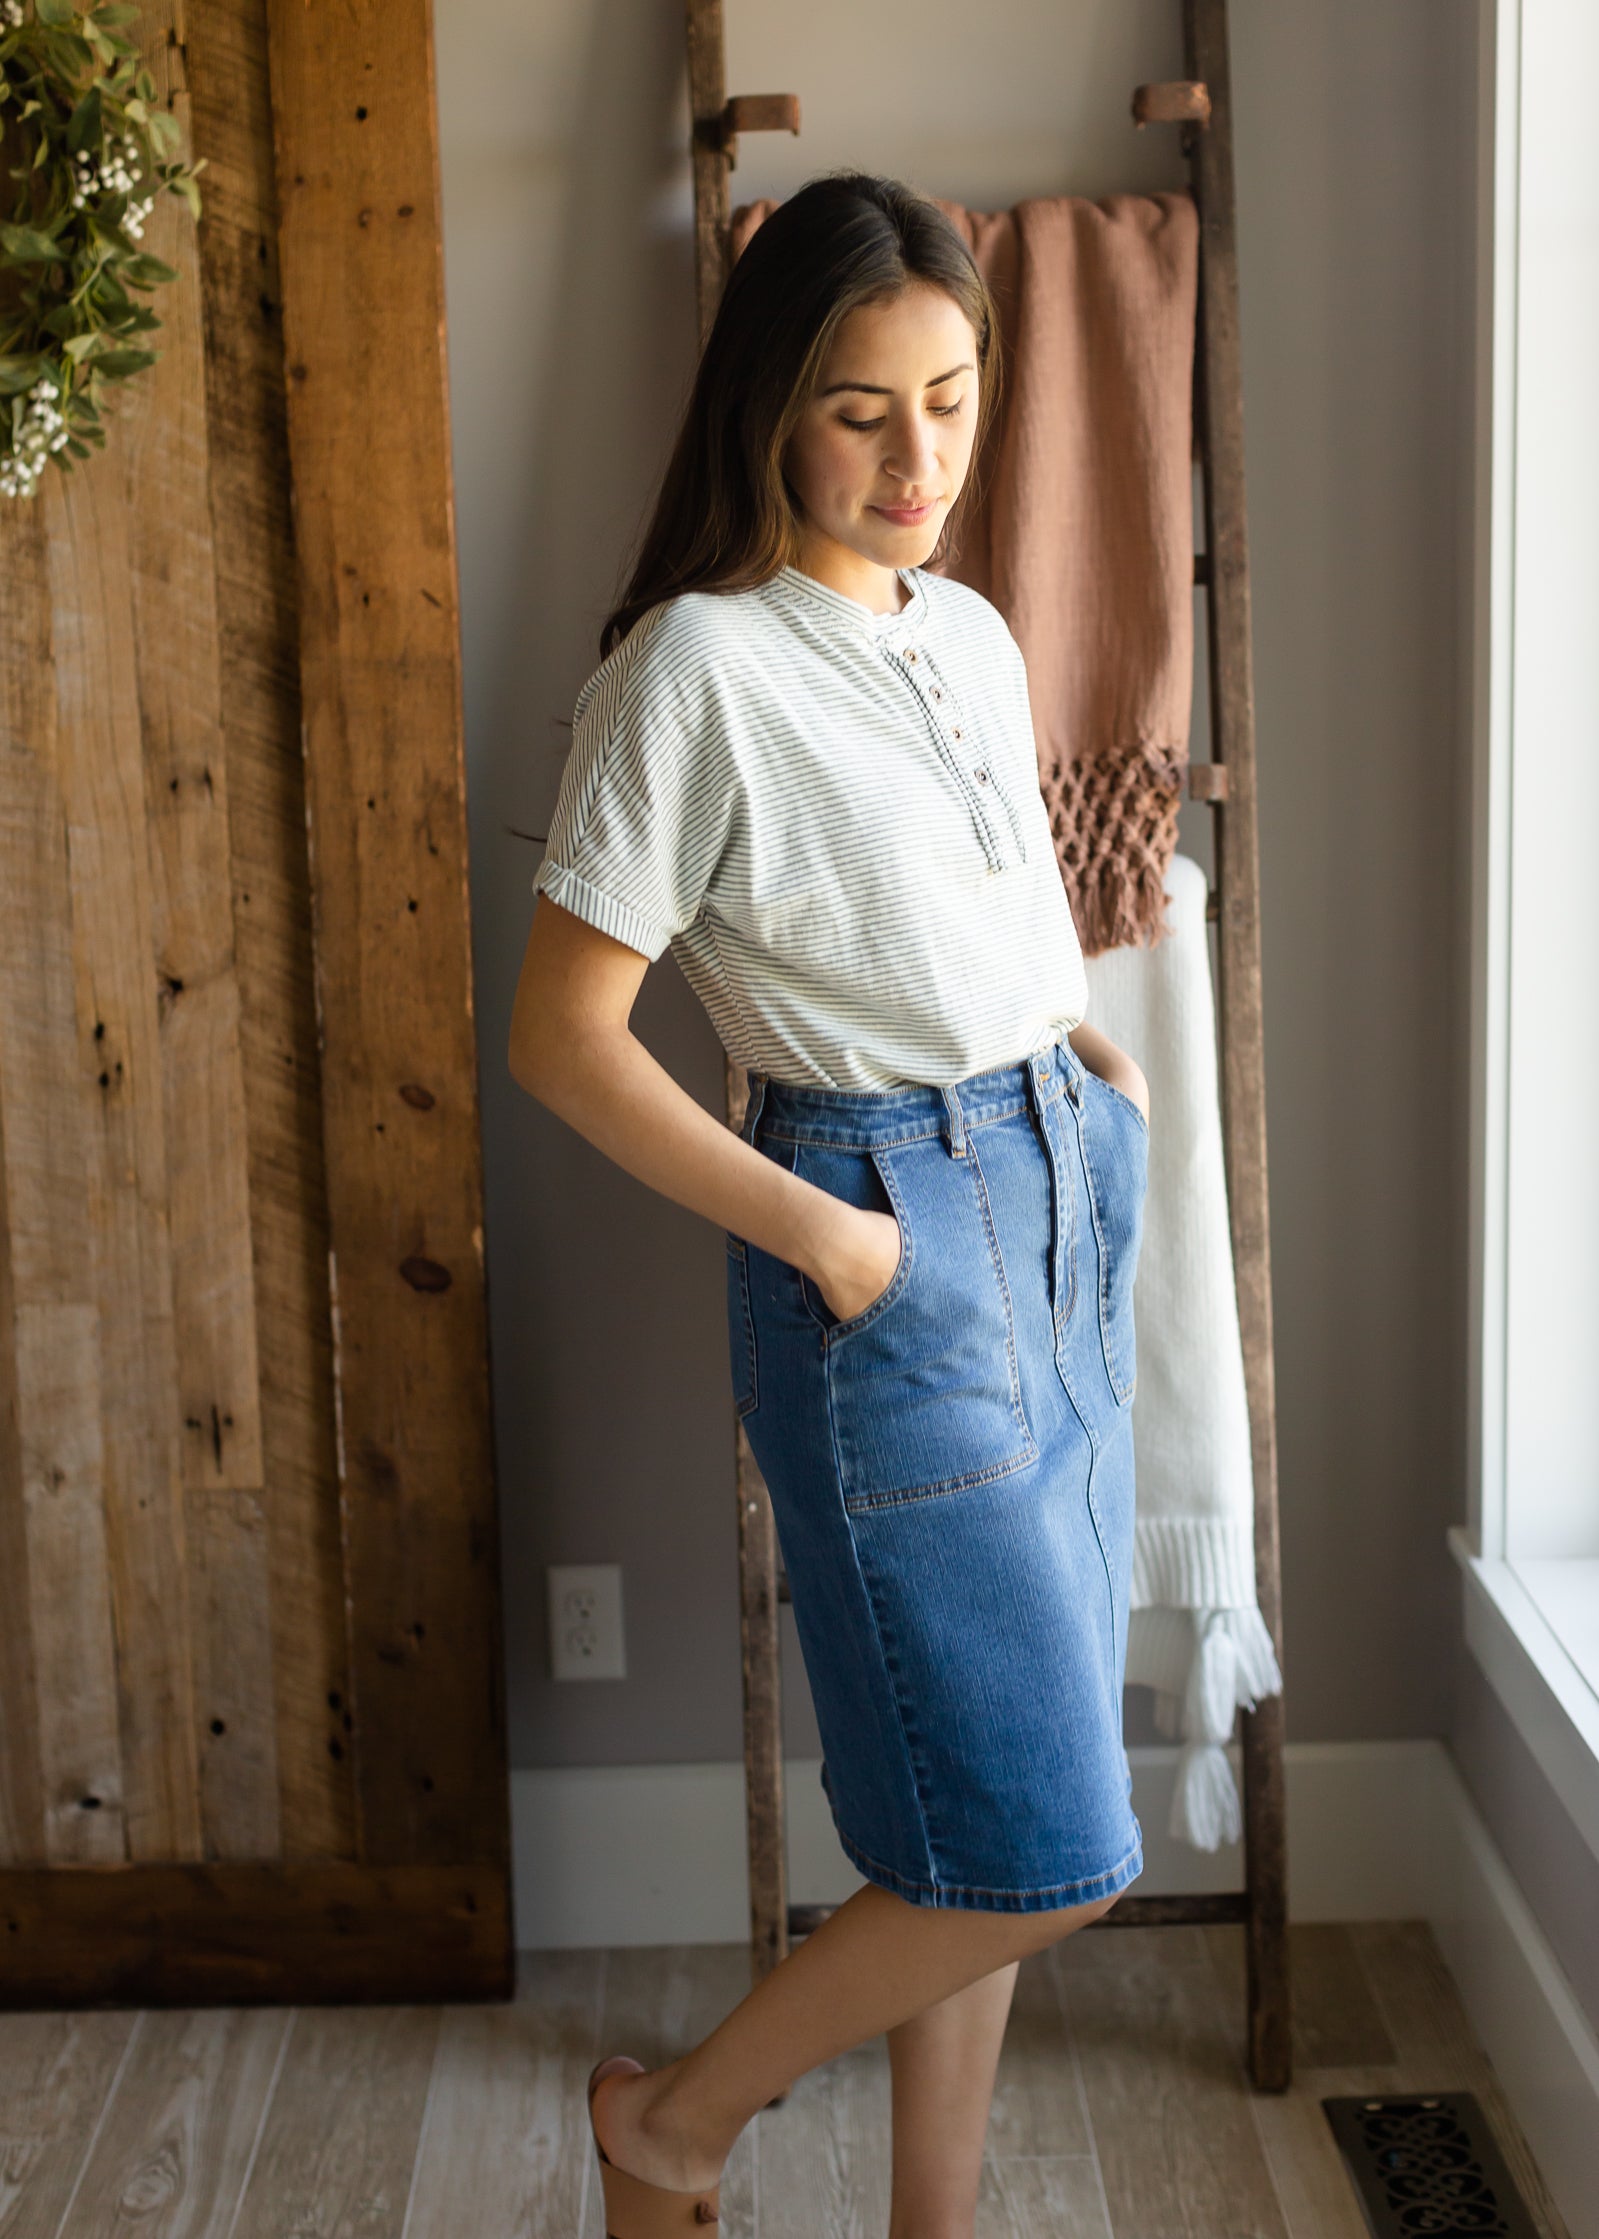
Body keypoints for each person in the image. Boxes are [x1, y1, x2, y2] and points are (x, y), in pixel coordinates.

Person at [509, 168, 1152, 2239]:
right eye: (861, 409)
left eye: (950, 402)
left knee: (952, 1834)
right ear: (772, 407)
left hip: (1054, 1194)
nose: (916, 460)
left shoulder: (957, 625)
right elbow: (564, 1036)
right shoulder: (692, 669)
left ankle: (927, 2223)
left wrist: (1075, 1045)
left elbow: (955, 905)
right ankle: (673, 2127)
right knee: (1050, 1845)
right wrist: (826, 1234)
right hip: (882, 1238)